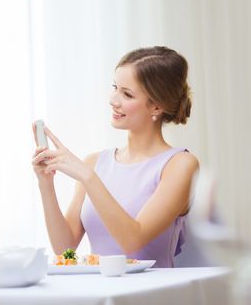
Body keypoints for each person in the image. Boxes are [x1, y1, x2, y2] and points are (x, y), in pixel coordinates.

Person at [32, 46, 198, 267]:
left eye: (127, 94)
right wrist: (46, 184)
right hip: (102, 295)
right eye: (115, 88)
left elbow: (133, 240)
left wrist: (88, 178)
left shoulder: (180, 165)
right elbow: (65, 248)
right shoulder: (94, 162)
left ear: (156, 106)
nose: (113, 99)